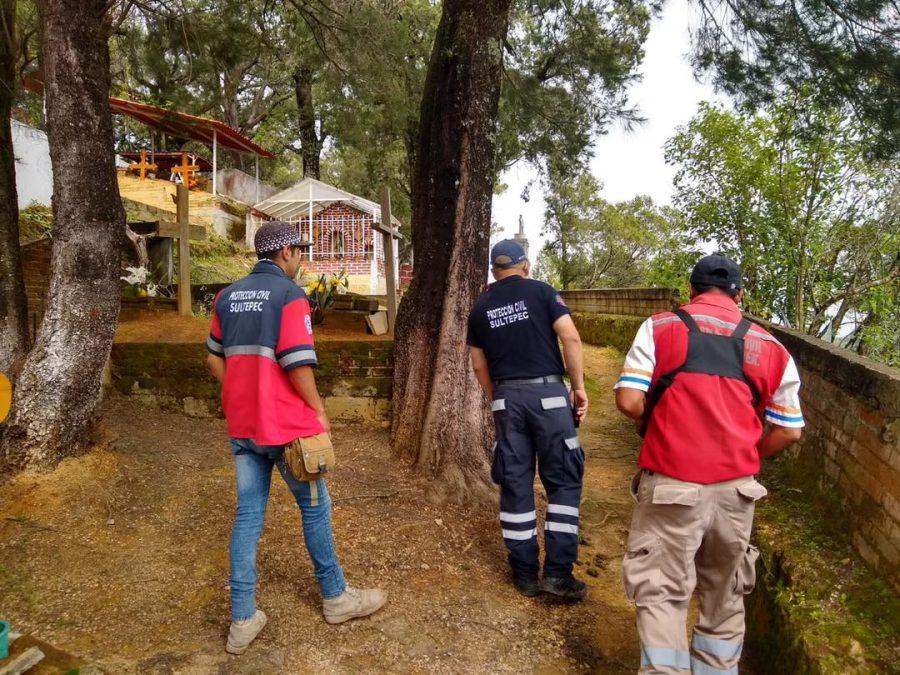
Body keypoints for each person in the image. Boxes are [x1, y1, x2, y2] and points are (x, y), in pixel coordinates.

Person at [615, 254, 804, 674]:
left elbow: (629, 400)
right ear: (739, 295)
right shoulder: (772, 348)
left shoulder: (661, 328)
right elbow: (790, 430)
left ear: (690, 289)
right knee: (724, 594)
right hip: (737, 491)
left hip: (670, 485)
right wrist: (745, 455)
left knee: (663, 592)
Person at [206, 220, 387, 655]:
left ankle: (243, 618)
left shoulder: (227, 296)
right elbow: (297, 363)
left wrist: (238, 395)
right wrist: (319, 410)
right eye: (299, 251)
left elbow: (213, 359)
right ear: (284, 252)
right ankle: (336, 597)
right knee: (315, 508)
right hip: (286, 431)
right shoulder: (290, 296)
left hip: (244, 428)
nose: (301, 259)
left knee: (248, 516)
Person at [467, 239, 589, 600]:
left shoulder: (480, 307)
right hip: (549, 396)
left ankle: (524, 574)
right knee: (564, 482)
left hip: (507, 398)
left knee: (516, 483)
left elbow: (477, 363)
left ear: (494, 270)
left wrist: (497, 399)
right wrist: (578, 387)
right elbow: (571, 338)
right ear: (526, 265)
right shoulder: (542, 292)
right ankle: (557, 574)